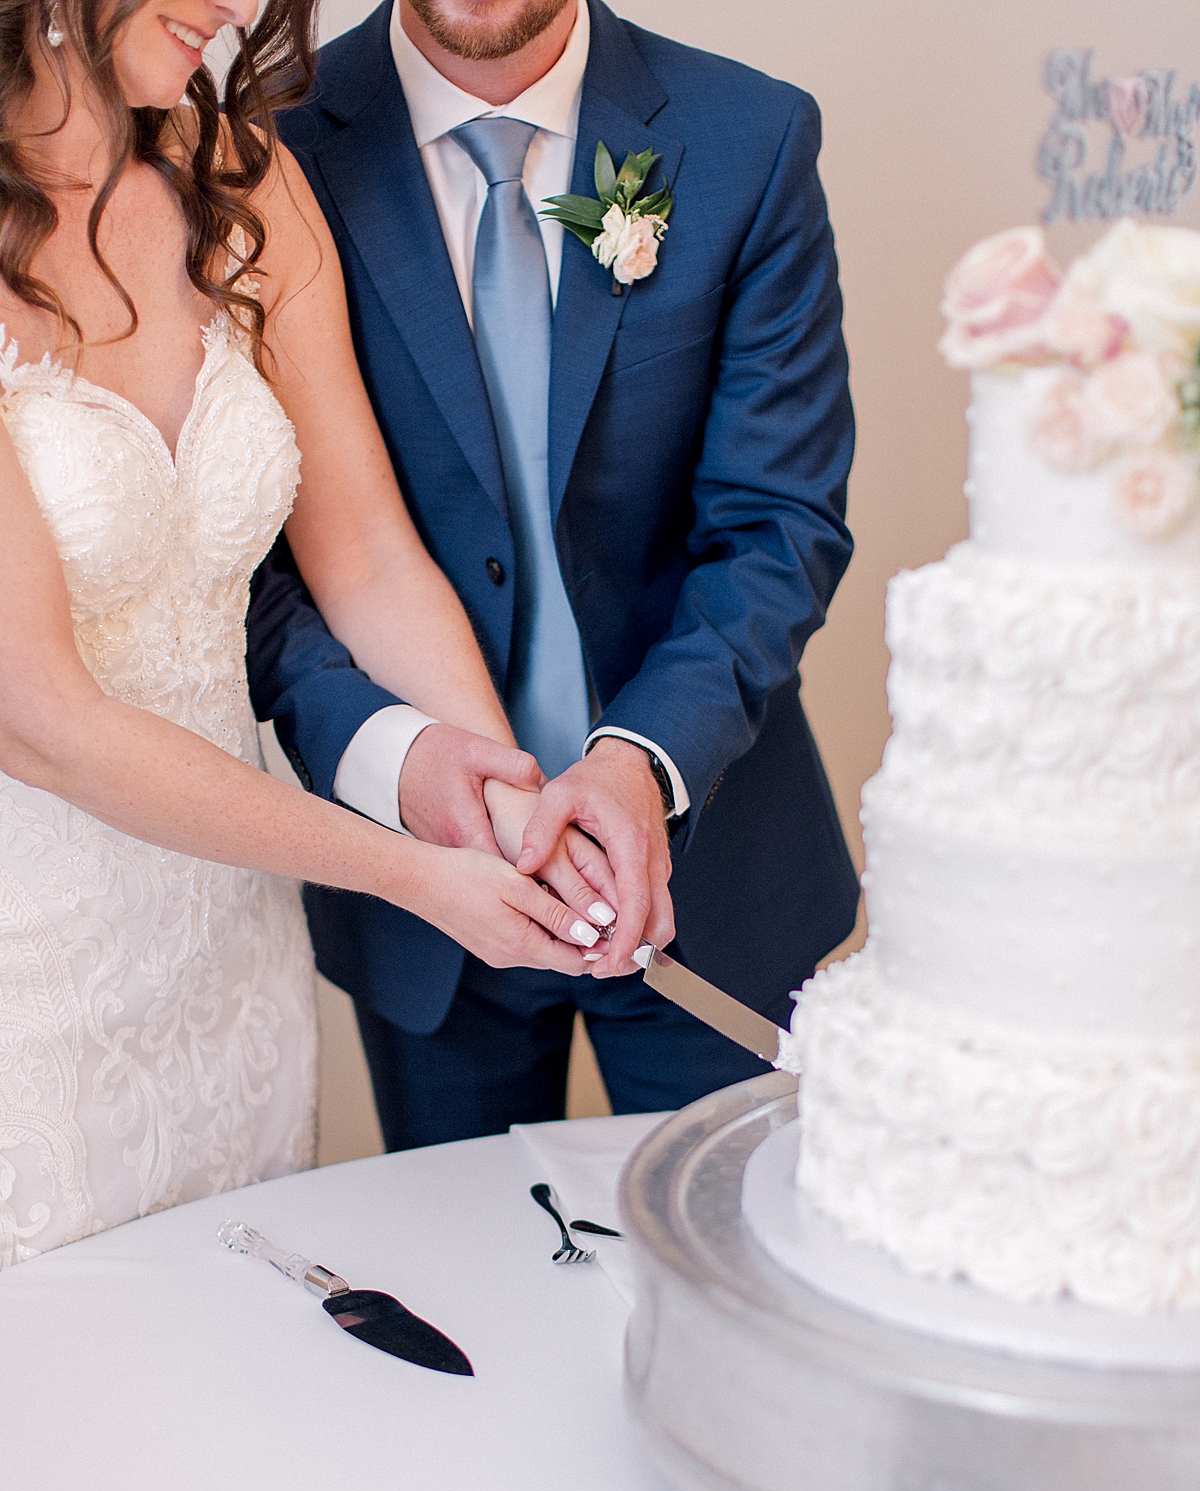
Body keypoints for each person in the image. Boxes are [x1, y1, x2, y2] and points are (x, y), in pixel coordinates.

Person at [0, 0, 622, 1264]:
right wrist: (410, 871)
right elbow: (42, 721)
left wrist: (501, 798)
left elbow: (370, 559)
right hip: (29, 972)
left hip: (229, 950)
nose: (237, 6)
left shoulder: (242, 181)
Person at [249, 0, 860, 1150]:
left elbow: (779, 526)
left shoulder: (751, 137)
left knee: (716, 1293)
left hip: (708, 869)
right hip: (419, 889)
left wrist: (641, 763)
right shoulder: (260, 150)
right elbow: (244, 558)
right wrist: (398, 758)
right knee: (467, 1299)